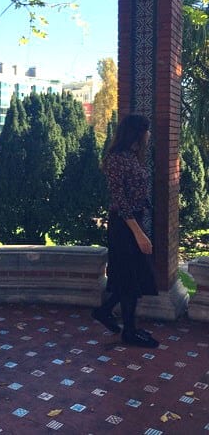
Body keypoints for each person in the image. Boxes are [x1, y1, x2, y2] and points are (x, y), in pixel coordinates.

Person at [91, 114, 159, 348]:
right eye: (146, 130)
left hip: (135, 221)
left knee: (133, 276)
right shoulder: (116, 159)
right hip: (124, 225)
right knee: (130, 278)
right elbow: (120, 199)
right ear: (137, 133)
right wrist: (138, 233)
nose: (149, 135)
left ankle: (104, 312)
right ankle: (129, 331)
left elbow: (136, 192)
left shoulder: (132, 157)